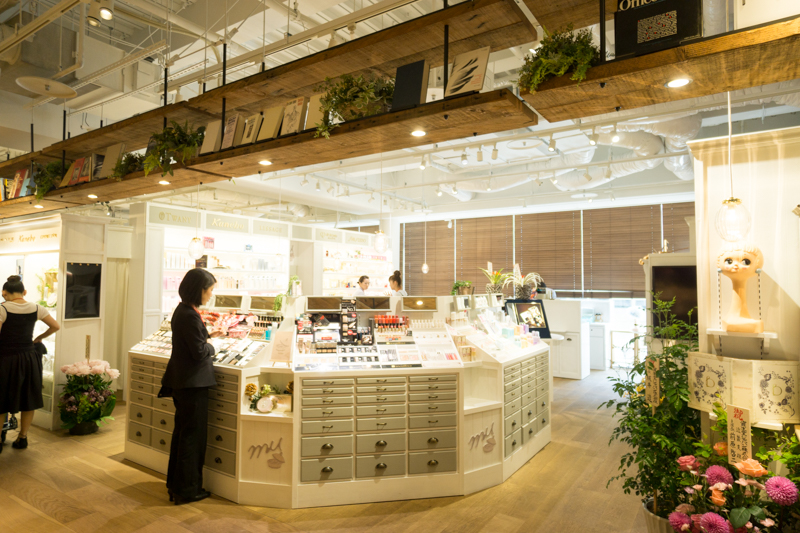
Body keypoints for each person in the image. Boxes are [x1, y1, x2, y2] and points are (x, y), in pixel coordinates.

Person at [162, 268, 217, 505]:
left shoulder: (182, 310)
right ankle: (187, 490)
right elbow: (199, 352)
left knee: (182, 434)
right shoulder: (190, 315)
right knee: (192, 438)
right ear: (199, 290)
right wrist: (212, 345)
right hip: (193, 383)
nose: (211, 294)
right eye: (210, 290)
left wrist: (205, 336)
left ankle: (176, 485)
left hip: (182, 381)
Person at [0, 275, 60, 453]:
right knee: (28, 398)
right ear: (24, 292)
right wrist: (39, 338)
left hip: (6, 359)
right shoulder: (36, 308)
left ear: (4, 293)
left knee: (1, 400)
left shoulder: (3, 308)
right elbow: (55, 326)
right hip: (28, 358)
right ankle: (22, 437)